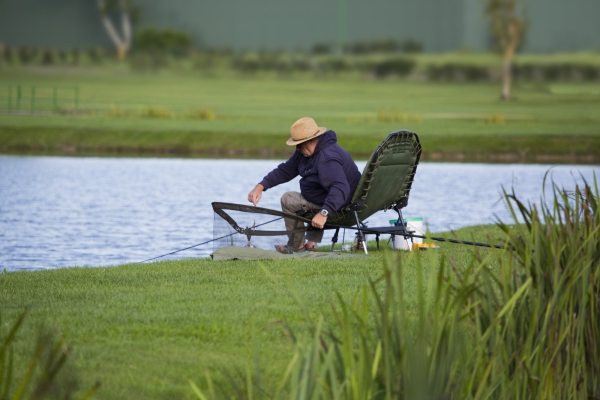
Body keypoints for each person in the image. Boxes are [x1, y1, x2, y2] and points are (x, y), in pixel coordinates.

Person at [247, 117, 361, 253]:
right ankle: (311, 244)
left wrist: (323, 213)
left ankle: (296, 246)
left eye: (300, 143)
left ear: (312, 139)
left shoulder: (326, 157)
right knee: (312, 192)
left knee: (288, 199)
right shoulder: (306, 152)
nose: (298, 147)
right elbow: (285, 170)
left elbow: (340, 188)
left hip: (341, 205)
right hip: (330, 198)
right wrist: (260, 186)